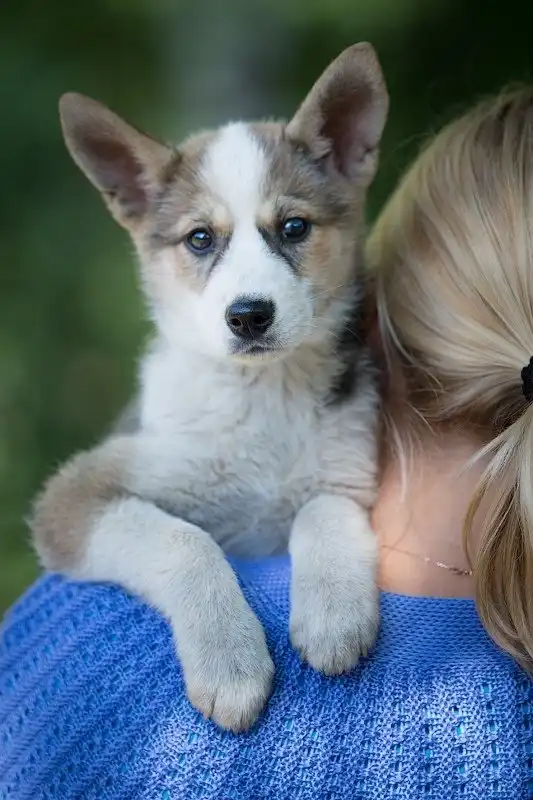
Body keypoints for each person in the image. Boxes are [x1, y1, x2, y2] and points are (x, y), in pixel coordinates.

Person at [2, 87, 533, 799]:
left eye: (291, 228)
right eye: (202, 240)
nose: (247, 290)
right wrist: (189, 577)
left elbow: (332, 496)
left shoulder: (353, 409)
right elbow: (65, 513)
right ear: (132, 199)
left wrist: (328, 524)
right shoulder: (176, 412)